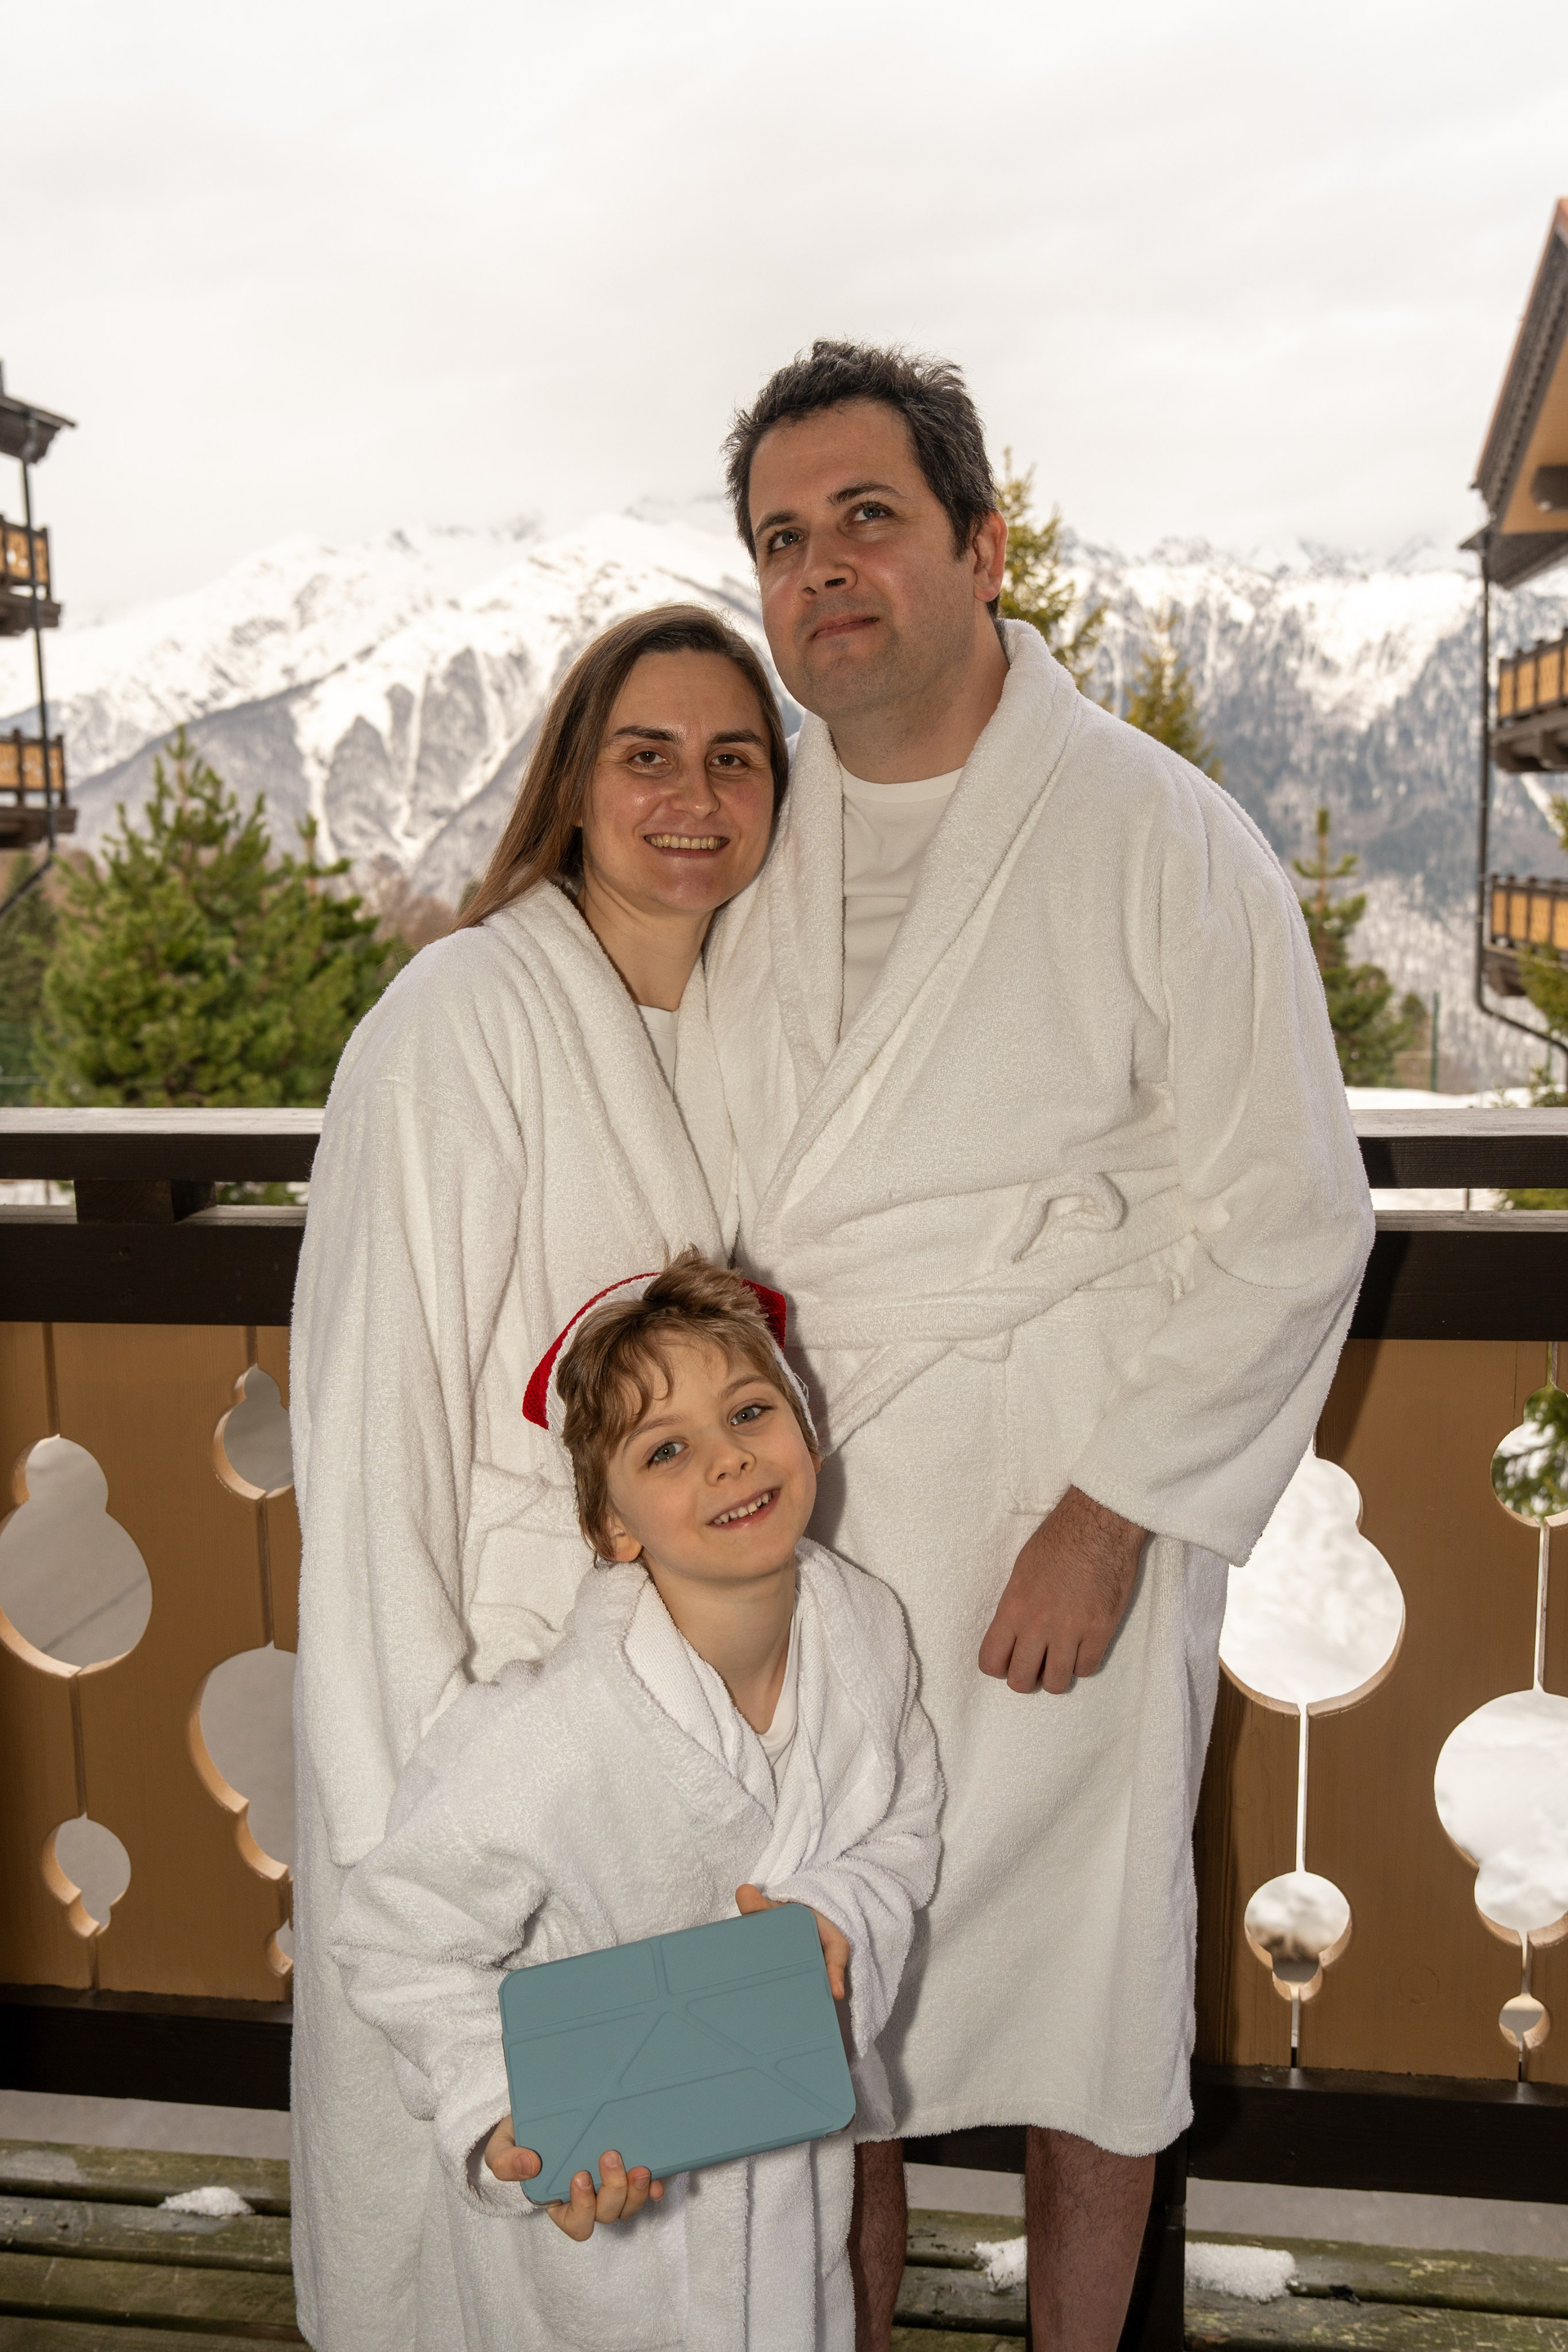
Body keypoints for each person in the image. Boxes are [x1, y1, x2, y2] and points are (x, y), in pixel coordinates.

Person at [703, 341, 1375, 2350]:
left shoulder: (1160, 833)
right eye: (782, 540)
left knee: (1086, 2003)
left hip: (1056, 1525)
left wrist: (1114, 1514)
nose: (824, 571)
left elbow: (1293, 1215)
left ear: (983, 547)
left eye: (869, 519)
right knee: (813, 1999)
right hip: (800, 1528)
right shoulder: (748, 836)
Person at [290, 608, 789, 2350]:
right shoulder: (458, 1026)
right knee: (510, 2232)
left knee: (673, 2242)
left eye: (735, 758)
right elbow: (371, 1458)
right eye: (646, 754)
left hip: (687, 1735)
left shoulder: (745, 1030)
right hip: (495, 1736)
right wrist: (405, 1830)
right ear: (573, 782)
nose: (692, 796)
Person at [330, 1253, 941, 2352]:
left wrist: (837, 1912)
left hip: (785, 2210)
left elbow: (904, 1827)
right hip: (603, 2226)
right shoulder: (553, 1731)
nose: (728, 1457)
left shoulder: (866, 1640)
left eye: (749, 1411)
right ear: (613, 1529)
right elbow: (393, 1938)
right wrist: (507, 2108)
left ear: (804, 1431)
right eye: (667, 1449)